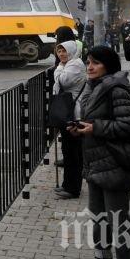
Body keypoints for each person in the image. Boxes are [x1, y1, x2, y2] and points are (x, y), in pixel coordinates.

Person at [69, 46, 130, 259]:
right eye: (88, 62)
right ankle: (101, 255)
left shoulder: (116, 90)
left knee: (118, 222)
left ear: (107, 66)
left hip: (115, 166)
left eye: (96, 63)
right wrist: (80, 130)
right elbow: (95, 122)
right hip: (95, 165)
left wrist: (95, 128)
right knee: (98, 217)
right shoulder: (92, 87)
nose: (89, 67)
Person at [52, 41, 87, 199]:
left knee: (72, 152)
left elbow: (61, 82)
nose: (61, 54)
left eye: (64, 51)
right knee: (69, 151)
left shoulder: (75, 65)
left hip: (74, 114)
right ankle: (68, 184)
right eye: (59, 51)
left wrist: (59, 68)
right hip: (70, 112)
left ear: (72, 51)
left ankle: (73, 188)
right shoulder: (71, 64)